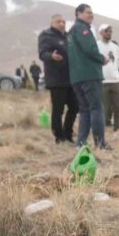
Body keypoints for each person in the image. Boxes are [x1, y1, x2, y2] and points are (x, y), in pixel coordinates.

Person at [68, 4, 111, 150]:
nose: (91, 15)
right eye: (87, 12)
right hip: (89, 75)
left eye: (92, 12)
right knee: (96, 108)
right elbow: (89, 49)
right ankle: (100, 143)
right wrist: (102, 59)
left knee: (85, 109)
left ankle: (81, 142)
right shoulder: (82, 29)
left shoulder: (71, 31)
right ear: (78, 14)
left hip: (76, 77)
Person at [38, 14, 78, 143]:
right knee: (58, 109)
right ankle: (59, 137)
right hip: (56, 78)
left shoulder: (68, 36)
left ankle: (68, 134)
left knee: (75, 106)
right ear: (52, 23)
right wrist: (51, 56)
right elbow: (42, 53)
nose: (62, 23)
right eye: (58, 21)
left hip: (71, 77)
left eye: (63, 21)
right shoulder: (46, 35)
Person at [96, 24, 119, 131]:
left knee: (118, 106)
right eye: (107, 31)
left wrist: (114, 70)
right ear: (101, 32)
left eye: (110, 31)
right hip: (102, 80)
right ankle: (102, 128)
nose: (109, 33)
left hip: (115, 80)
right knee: (104, 107)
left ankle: (118, 129)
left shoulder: (115, 47)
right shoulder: (96, 45)